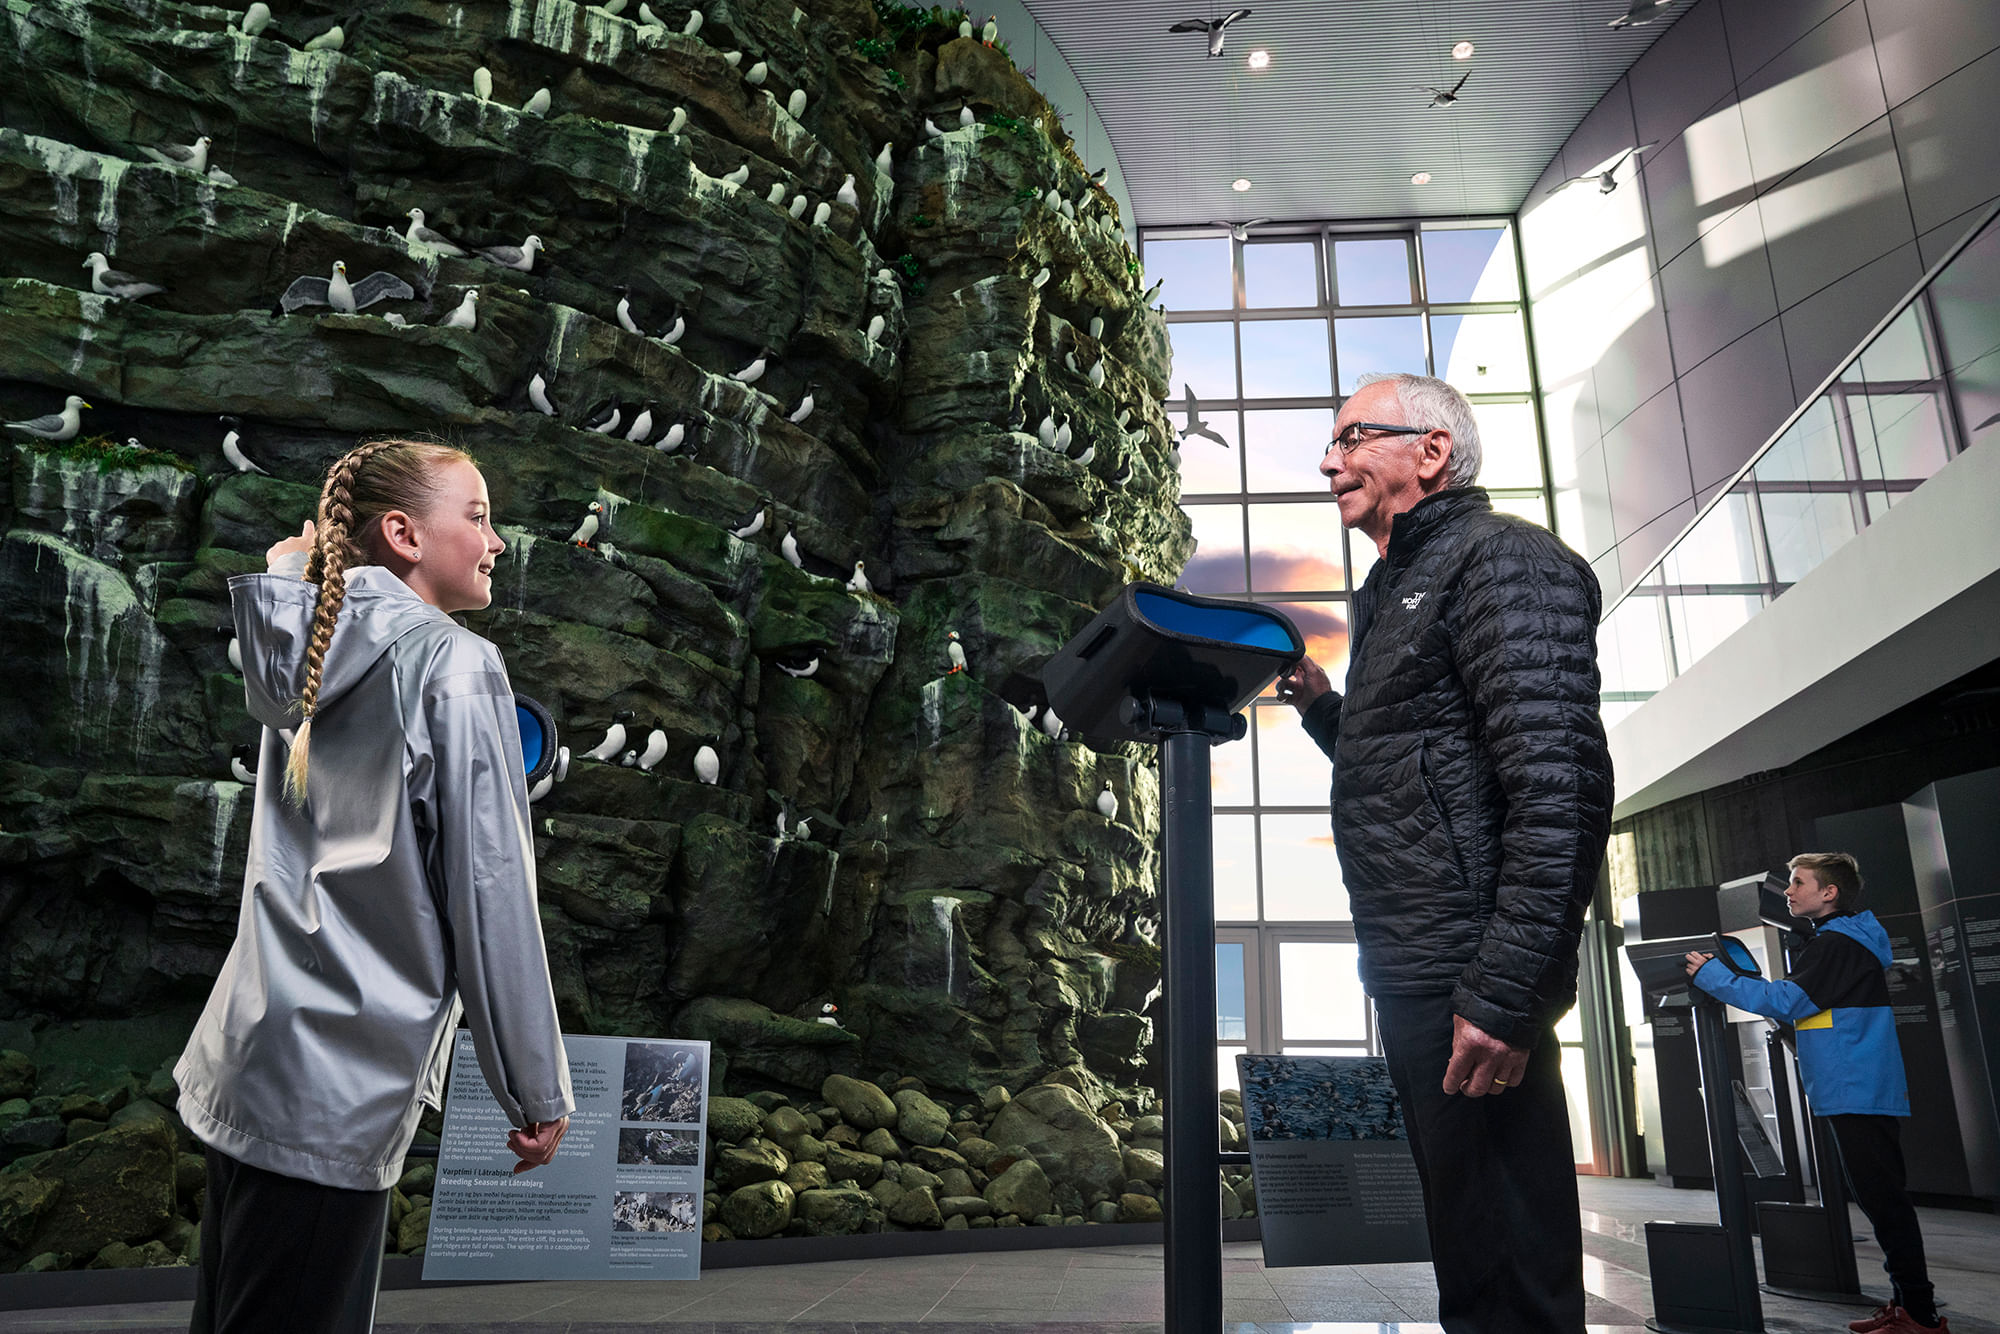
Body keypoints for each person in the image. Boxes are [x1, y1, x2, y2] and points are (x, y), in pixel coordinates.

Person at [176, 439, 576, 1334]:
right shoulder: (457, 665)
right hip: (339, 1082)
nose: (496, 540)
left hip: (251, 1053)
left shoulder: (298, 644)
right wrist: (536, 1088)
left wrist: (291, 565)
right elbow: (490, 890)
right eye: (476, 516)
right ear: (402, 533)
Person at [1280, 372, 1613, 1333]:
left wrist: (1507, 993)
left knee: (1511, 1266)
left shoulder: (1503, 560)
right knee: (1471, 1254)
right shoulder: (1394, 585)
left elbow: (1560, 787)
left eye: (1353, 436)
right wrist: (1318, 705)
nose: (1328, 458)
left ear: (1431, 452)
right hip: (1419, 965)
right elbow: (1413, 765)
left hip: (1473, 973)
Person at [1684, 853, 1947, 1334]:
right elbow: (1804, 1008)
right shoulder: (1839, 942)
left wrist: (1712, 977)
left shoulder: (1838, 945)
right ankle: (1907, 1304)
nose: (1788, 891)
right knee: (1880, 1200)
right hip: (1853, 1084)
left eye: (1798, 883)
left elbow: (1787, 1001)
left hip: (1857, 1088)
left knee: (1884, 1203)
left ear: (1829, 893)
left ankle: (1921, 1316)